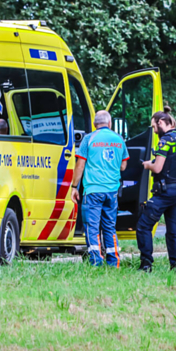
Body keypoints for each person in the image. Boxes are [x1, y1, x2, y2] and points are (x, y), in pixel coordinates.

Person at [71, 110, 128, 267]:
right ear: (110, 124)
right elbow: (123, 166)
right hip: (112, 191)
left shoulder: (89, 139)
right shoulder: (119, 139)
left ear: (95, 125)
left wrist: (74, 186)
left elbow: (80, 165)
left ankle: (96, 262)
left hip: (93, 191)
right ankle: (113, 261)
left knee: (92, 227)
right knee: (110, 227)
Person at [135, 108, 176, 272]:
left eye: (153, 127)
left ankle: (146, 264)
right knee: (173, 231)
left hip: (163, 192)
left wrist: (147, 164)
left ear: (160, 123)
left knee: (143, 226)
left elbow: (157, 168)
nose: (154, 130)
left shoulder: (165, 141)